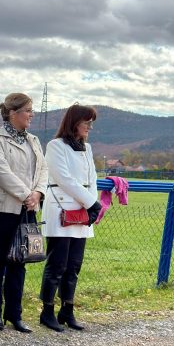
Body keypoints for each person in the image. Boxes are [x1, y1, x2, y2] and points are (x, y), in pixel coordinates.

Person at [0, 93, 48, 332]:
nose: (32, 115)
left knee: (20, 261)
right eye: (28, 110)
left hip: (28, 208)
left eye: (31, 110)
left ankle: (14, 314)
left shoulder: (34, 140)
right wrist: (26, 194)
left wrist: (38, 193)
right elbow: (0, 172)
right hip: (1, 209)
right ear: (12, 113)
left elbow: (43, 169)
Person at [40, 104, 101, 331]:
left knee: (74, 264)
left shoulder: (87, 148)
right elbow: (64, 179)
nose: (90, 127)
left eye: (91, 123)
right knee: (57, 264)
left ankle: (67, 309)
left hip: (82, 210)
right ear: (75, 122)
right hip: (61, 209)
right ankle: (47, 311)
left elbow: (92, 178)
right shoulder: (56, 146)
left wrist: (91, 203)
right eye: (87, 122)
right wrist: (91, 202)